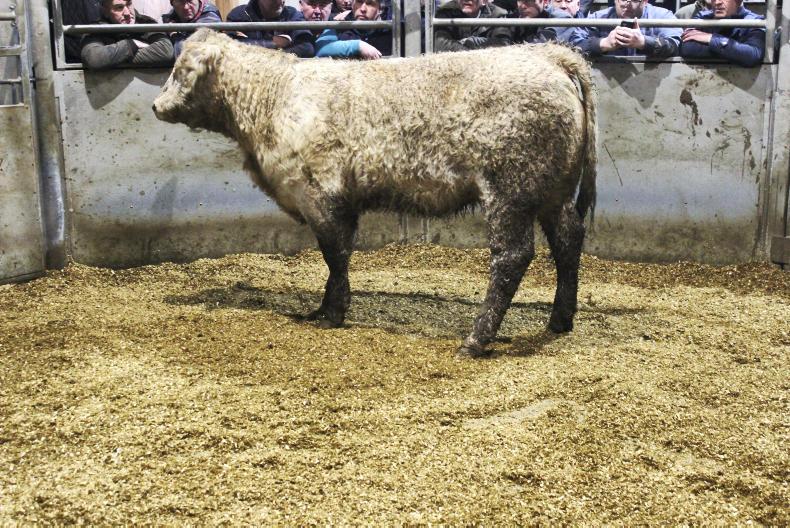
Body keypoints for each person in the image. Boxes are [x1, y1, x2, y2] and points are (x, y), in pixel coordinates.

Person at [80, 0, 174, 69]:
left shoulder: (146, 22)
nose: (127, 13)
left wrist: (115, 58)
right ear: (105, 12)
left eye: (129, 4)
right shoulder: (96, 29)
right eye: (119, 7)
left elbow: (166, 51)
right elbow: (94, 58)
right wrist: (132, 44)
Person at [572, 0, 681, 59]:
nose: (627, 3)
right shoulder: (598, 18)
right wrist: (604, 43)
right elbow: (573, 45)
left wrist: (643, 42)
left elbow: (675, 46)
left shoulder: (663, 16)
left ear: (645, 1)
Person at [680, 0, 764, 67]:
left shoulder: (755, 21)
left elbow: (753, 55)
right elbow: (686, 48)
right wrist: (734, 52)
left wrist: (711, 38)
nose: (717, 2)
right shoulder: (702, 17)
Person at [226, 0, 315, 57]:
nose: (281, 1)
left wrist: (270, 56)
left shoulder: (292, 15)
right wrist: (274, 43)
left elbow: (307, 48)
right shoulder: (239, 15)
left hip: (281, 76)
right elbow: (230, 47)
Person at [315, 0, 392, 58]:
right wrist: (357, 46)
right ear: (352, 5)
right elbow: (321, 48)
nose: (363, 9)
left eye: (369, 3)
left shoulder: (389, 29)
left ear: (380, 9)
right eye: (359, 1)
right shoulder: (340, 23)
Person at [434, 0, 513, 52]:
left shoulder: (497, 14)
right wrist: (469, 53)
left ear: (484, 1)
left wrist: (473, 41)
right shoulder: (446, 12)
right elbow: (440, 44)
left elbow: (502, 44)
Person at [493, 0, 578, 44]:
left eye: (529, 1)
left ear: (544, 1)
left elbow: (540, 44)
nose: (523, 6)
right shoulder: (513, 18)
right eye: (520, 0)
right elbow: (500, 42)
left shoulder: (561, 18)